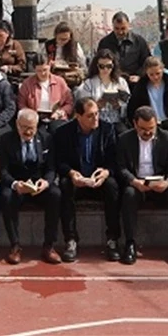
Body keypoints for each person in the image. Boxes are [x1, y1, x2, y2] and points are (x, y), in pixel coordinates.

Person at [52, 96, 122, 262]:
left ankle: (112, 239)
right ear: (78, 116)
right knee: (64, 186)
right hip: (77, 178)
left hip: (99, 178)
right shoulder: (63, 132)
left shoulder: (108, 129)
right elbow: (59, 161)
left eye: (97, 113)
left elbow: (115, 160)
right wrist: (71, 173)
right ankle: (71, 240)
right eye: (90, 115)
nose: (95, 118)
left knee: (113, 186)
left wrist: (106, 172)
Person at [117, 106, 168, 265]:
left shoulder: (167, 138)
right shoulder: (124, 139)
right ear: (135, 124)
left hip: (160, 182)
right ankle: (130, 244)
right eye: (143, 129)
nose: (148, 133)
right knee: (128, 195)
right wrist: (134, 181)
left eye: (151, 128)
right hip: (137, 183)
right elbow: (121, 167)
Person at [0, 110, 62, 265]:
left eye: (31, 128)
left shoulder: (46, 139)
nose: (27, 132)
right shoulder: (6, 140)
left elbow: (51, 168)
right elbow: (3, 170)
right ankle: (15, 245)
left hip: (39, 185)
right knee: (6, 196)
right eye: (24, 127)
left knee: (55, 194)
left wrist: (46, 182)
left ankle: (49, 245)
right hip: (17, 184)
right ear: (17, 125)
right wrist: (15, 184)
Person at [126, 56, 168, 132]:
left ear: (163, 70)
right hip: (149, 125)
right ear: (146, 72)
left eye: (158, 73)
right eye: (151, 74)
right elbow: (133, 109)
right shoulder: (140, 88)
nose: (155, 77)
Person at [75, 49, 132, 131]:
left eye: (109, 66)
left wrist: (119, 106)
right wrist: (97, 105)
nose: (105, 69)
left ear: (113, 66)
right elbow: (84, 105)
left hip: (117, 121)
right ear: (97, 66)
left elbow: (128, 103)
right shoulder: (89, 83)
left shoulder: (121, 82)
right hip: (97, 121)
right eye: (102, 66)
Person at [17, 54, 74, 133]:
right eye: (39, 71)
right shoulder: (27, 84)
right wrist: (31, 114)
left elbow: (69, 103)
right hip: (35, 120)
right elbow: (21, 104)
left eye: (45, 70)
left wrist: (60, 112)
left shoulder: (60, 82)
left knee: (59, 131)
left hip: (56, 118)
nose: (42, 73)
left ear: (50, 66)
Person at [97, 12, 150, 84]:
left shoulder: (139, 41)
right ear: (113, 26)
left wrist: (139, 76)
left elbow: (147, 62)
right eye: (117, 28)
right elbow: (99, 64)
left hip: (135, 84)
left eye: (123, 28)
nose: (120, 32)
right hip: (113, 83)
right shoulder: (105, 43)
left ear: (128, 25)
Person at [45, 21, 87, 88]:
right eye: (60, 39)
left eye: (66, 39)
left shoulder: (75, 46)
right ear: (56, 36)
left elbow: (83, 65)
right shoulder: (48, 45)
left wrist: (76, 68)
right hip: (53, 76)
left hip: (71, 77)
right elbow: (42, 62)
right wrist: (49, 63)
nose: (63, 42)